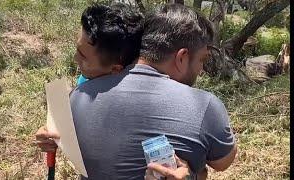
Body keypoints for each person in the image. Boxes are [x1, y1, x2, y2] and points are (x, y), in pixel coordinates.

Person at [37, 4, 237, 180]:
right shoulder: (205, 106)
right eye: (201, 60)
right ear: (182, 57)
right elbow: (223, 163)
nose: (201, 70)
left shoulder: (77, 97)